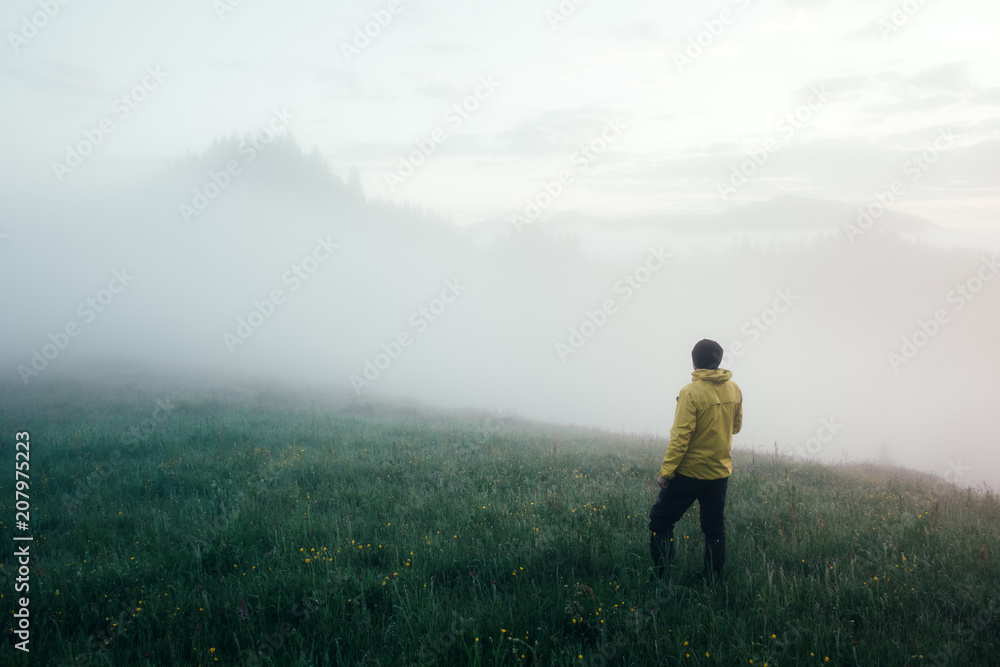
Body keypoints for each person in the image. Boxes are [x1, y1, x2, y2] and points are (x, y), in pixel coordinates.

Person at [648, 339, 743, 580]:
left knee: (660, 522)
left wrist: (666, 473)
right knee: (714, 529)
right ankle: (712, 580)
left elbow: (681, 437)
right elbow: (736, 427)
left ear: (695, 361)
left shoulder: (690, 392)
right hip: (719, 473)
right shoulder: (734, 389)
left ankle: (663, 578)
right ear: (718, 360)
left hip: (689, 473)